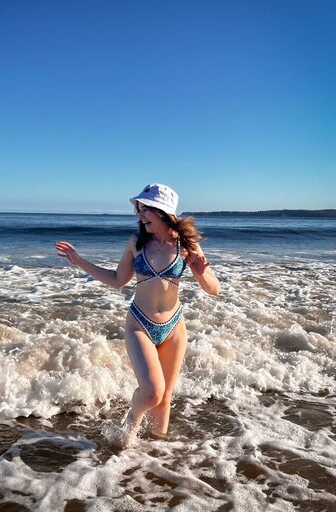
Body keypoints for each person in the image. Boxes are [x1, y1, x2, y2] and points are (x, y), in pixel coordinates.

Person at [55, 183, 221, 448]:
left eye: (146, 210)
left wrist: (200, 272)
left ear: (163, 212)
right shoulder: (136, 242)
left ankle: (156, 452)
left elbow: (214, 289)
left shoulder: (186, 244)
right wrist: (79, 261)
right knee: (153, 393)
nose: (141, 216)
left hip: (174, 326)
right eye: (139, 210)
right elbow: (118, 279)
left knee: (165, 398)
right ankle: (132, 420)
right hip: (140, 324)